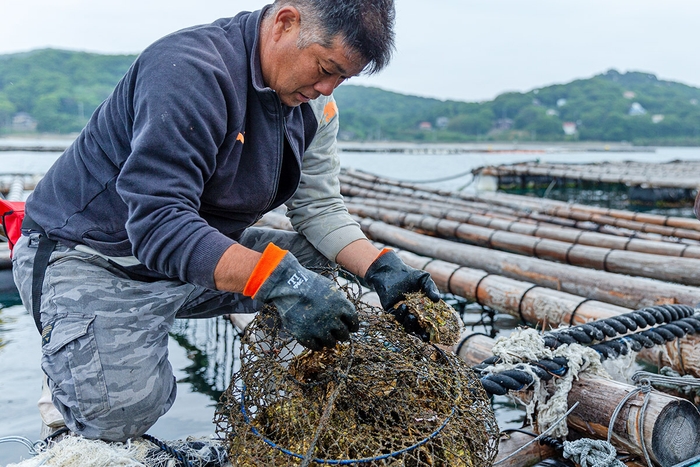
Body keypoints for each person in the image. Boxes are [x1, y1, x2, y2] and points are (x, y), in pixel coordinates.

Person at [12, 0, 440, 443]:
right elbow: (158, 223)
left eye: (342, 78)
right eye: (324, 67)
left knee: (329, 270)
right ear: (285, 23)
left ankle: (301, 389)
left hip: (197, 253)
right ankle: (72, 367)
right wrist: (277, 281)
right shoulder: (188, 72)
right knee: (121, 416)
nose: (327, 87)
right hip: (94, 257)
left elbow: (320, 208)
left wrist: (381, 267)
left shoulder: (317, 106)